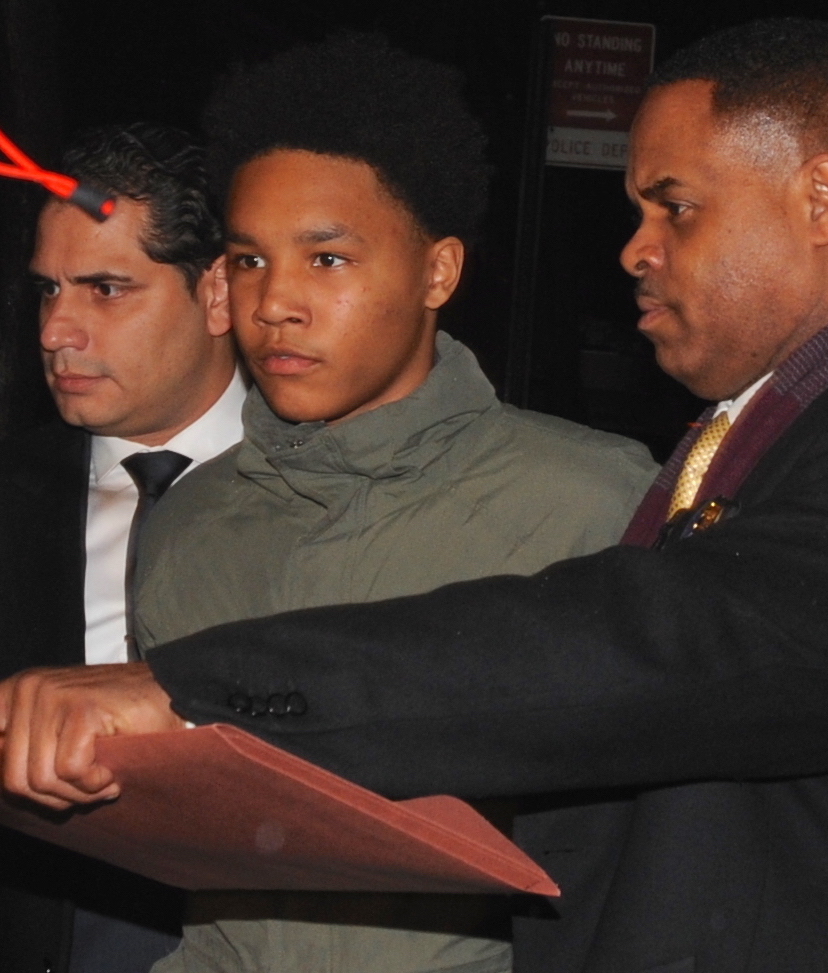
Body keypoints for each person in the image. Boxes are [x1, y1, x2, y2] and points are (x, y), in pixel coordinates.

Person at [3, 18, 828, 973]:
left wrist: (196, 689)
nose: (634, 248)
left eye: (673, 205)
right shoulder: (775, 432)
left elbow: (658, 648)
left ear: (819, 197)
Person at [129, 32, 654, 973]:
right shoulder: (185, 528)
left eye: (326, 260)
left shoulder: (594, 502)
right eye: (248, 260)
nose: (275, 300)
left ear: (437, 273)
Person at [0, 124, 243, 973]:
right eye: (46, 291)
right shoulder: (14, 492)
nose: (58, 329)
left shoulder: (329, 484)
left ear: (216, 293)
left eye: (105, 289)